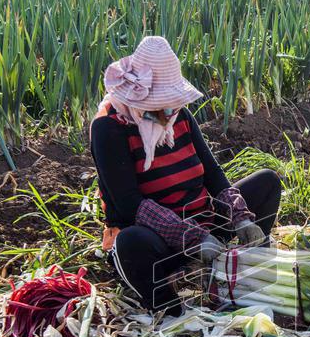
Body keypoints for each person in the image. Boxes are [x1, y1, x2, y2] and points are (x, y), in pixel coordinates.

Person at [90, 36, 281, 314]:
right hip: (161, 239)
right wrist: (190, 237)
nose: (169, 115)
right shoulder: (109, 128)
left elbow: (213, 174)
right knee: (131, 242)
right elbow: (129, 205)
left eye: (172, 105)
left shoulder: (178, 116)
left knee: (267, 183)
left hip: (202, 224)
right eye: (161, 107)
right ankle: (171, 306)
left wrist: (240, 218)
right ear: (138, 99)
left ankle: (235, 275)